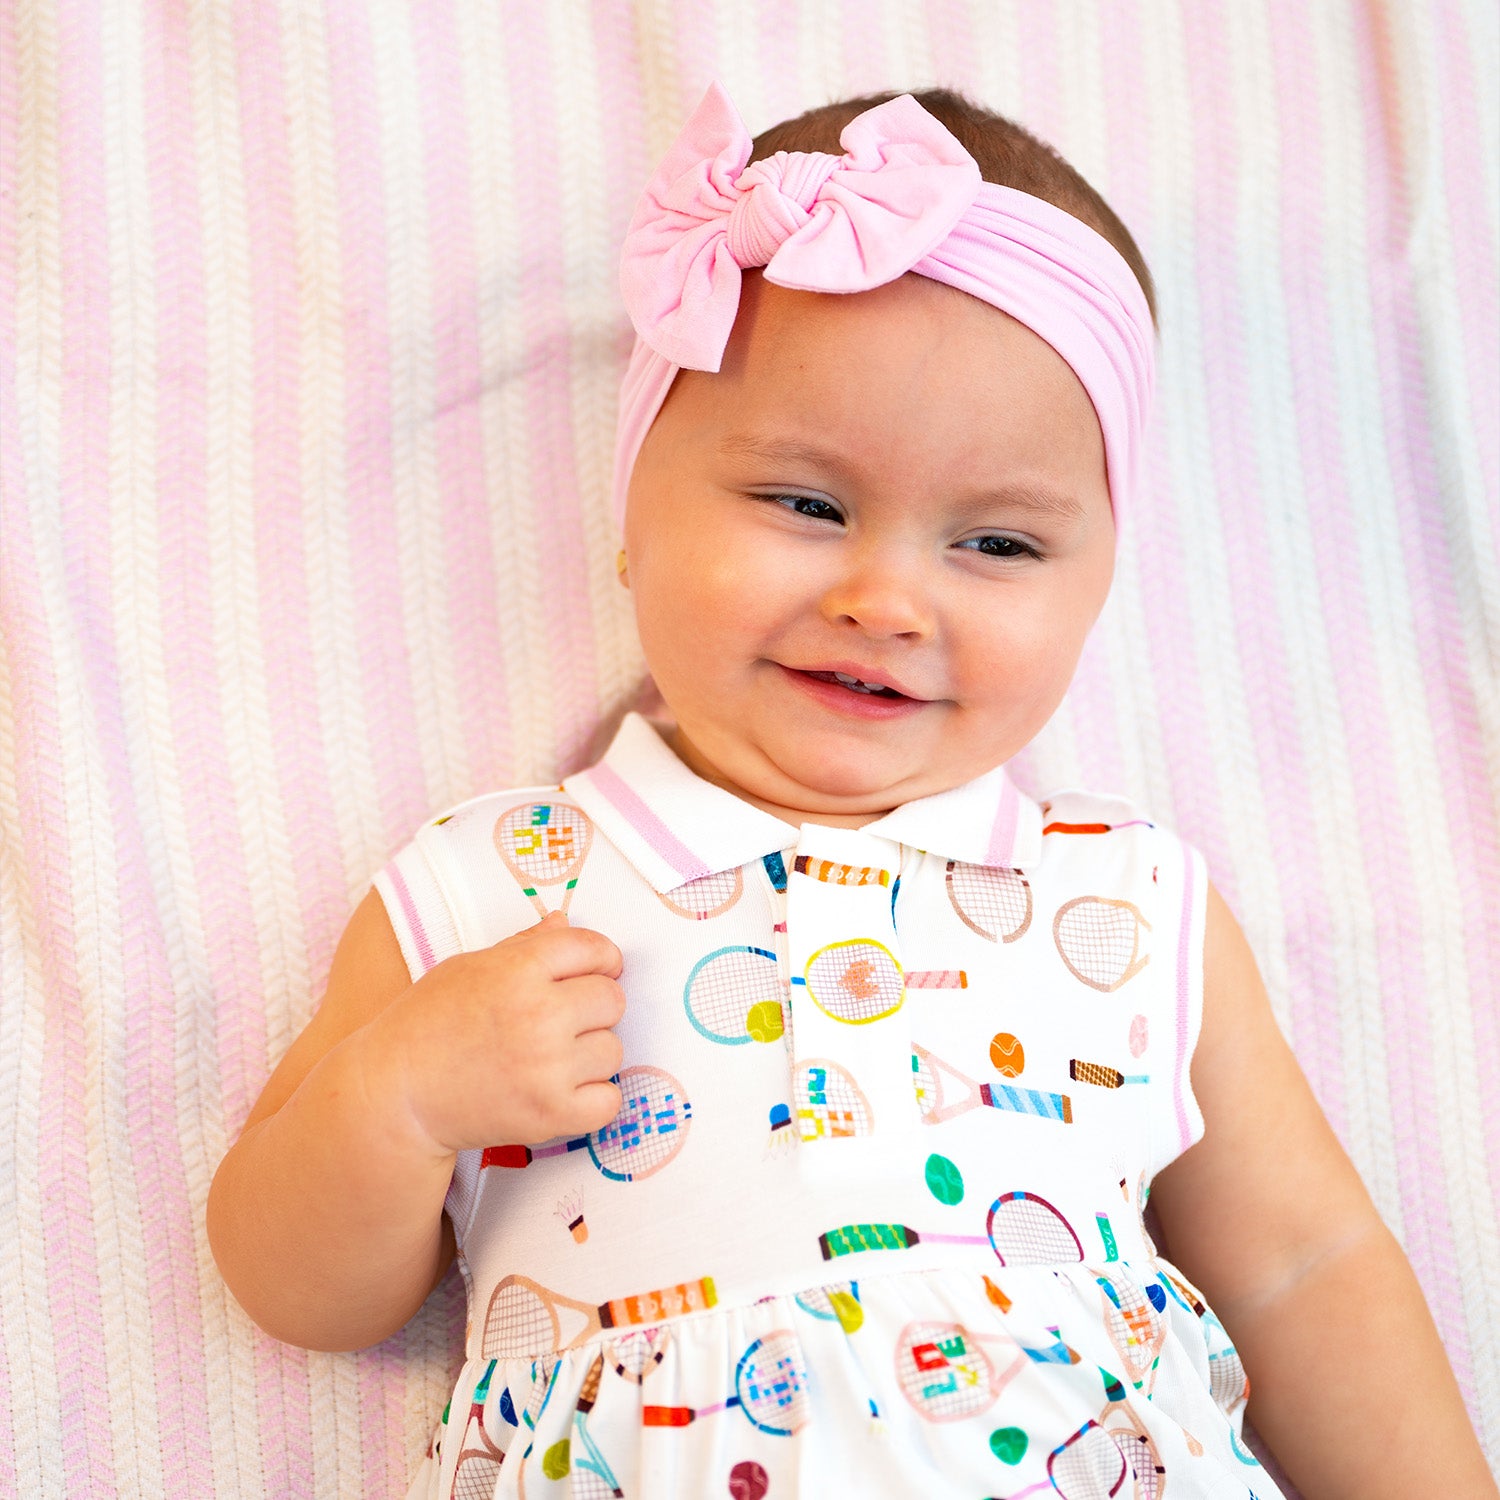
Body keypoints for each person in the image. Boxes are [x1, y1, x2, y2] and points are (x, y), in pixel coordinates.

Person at [207, 84, 1492, 1500]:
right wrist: (398, 1101)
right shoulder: (493, 885)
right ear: (634, 513)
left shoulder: (1125, 898)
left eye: (997, 545)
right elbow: (295, 1287)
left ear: (1098, 586)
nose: (886, 600)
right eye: (807, 506)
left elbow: (1305, 1262)